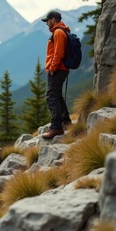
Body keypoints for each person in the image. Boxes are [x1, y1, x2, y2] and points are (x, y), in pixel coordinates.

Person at [41, 10, 72, 139]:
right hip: (61, 69)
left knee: (51, 96)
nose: (46, 23)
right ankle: (65, 121)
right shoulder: (61, 31)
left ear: (53, 19)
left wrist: (52, 68)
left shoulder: (58, 32)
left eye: (47, 20)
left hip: (58, 69)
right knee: (57, 96)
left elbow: (58, 53)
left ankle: (56, 127)